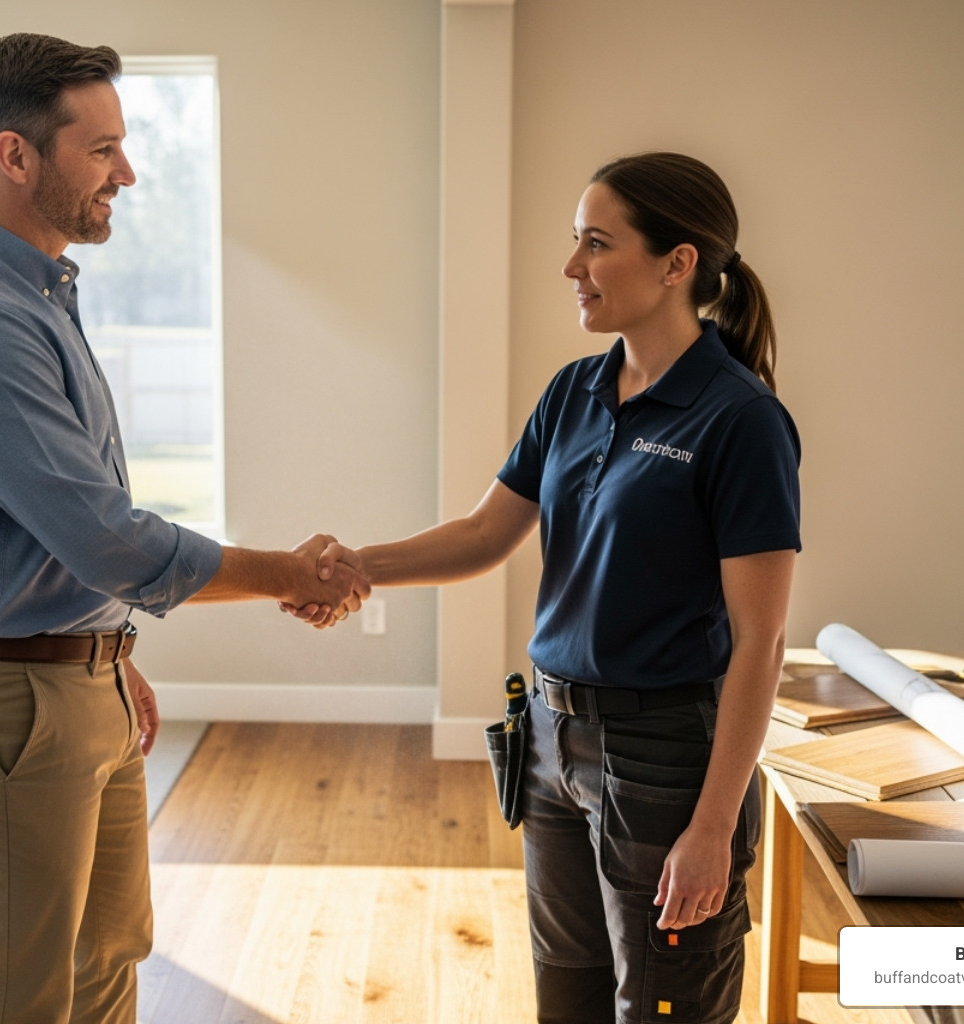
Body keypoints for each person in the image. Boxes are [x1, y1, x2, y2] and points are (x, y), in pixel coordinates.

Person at [0, 33, 365, 1024]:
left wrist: (104, 646)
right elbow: (105, 532)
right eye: (101, 149)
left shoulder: (39, 294)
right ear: (16, 155)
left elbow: (62, 531)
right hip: (15, 704)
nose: (128, 173)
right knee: (21, 993)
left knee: (110, 954)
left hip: (75, 678)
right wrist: (288, 571)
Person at [290, 152, 799, 1024]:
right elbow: (488, 532)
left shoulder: (740, 420)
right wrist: (357, 565)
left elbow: (763, 642)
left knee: (663, 1007)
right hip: (553, 748)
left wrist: (713, 826)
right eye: (575, 242)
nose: (572, 268)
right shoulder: (576, 390)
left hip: (667, 763)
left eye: (596, 245)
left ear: (678, 264)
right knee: (566, 996)